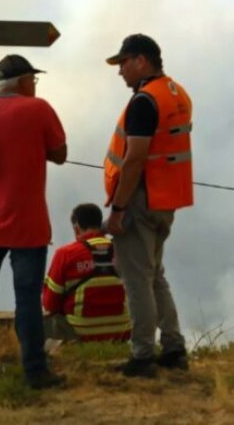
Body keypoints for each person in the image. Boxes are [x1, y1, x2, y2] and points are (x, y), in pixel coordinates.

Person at [0, 54, 67, 389]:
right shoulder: (38, 108)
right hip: (28, 224)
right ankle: (35, 370)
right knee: (27, 299)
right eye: (33, 81)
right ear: (24, 82)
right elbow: (60, 153)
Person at [103, 33, 192, 377]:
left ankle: (142, 357)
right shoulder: (176, 94)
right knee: (155, 276)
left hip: (140, 199)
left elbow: (135, 157)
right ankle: (173, 348)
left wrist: (118, 210)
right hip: (166, 199)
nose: (120, 71)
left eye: (123, 62)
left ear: (141, 60)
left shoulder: (144, 101)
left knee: (137, 279)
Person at [42, 203, 131, 342]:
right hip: (122, 331)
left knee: (34, 323)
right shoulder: (123, 250)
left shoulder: (65, 254)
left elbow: (50, 303)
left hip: (80, 333)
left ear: (76, 228)